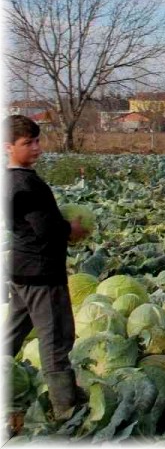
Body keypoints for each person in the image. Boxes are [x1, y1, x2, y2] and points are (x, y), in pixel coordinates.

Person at [3, 115, 88, 420]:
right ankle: (66, 407)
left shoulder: (10, 180)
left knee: (12, 333)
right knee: (56, 338)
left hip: (20, 269)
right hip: (41, 273)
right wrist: (72, 228)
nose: (37, 148)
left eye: (37, 140)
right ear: (8, 146)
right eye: (28, 143)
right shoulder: (26, 184)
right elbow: (45, 228)